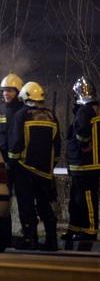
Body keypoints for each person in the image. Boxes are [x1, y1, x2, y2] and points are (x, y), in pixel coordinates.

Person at [8, 82, 61, 251]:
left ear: (25, 96)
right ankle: (52, 240)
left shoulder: (21, 115)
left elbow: (16, 143)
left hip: (25, 169)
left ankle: (30, 239)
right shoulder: (52, 116)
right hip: (45, 172)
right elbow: (57, 145)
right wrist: (51, 165)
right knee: (45, 205)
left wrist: (12, 163)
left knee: (27, 206)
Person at [63, 77, 99, 242]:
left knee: (87, 197)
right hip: (85, 164)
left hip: (85, 164)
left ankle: (90, 230)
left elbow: (82, 131)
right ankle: (75, 228)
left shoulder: (85, 110)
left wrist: (83, 143)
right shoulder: (95, 108)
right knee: (78, 198)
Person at [0, 73, 25, 192]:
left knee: (23, 198)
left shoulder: (25, 111)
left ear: (18, 92)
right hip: (2, 163)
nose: (5, 94)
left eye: (10, 91)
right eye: (4, 91)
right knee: (2, 196)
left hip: (22, 164)